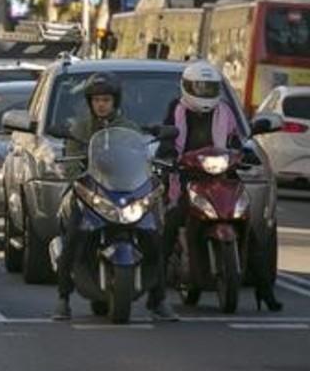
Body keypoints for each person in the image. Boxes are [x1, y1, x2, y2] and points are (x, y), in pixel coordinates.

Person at [53, 72, 177, 321]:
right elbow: (69, 163)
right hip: (90, 189)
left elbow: (139, 159)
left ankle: (159, 299)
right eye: (97, 100)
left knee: (154, 236)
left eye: (106, 100)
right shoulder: (80, 127)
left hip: (124, 192)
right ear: (90, 103)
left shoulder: (128, 128)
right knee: (73, 235)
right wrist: (75, 171)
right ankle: (63, 298)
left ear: (115, 102)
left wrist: (148, 169)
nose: (101, 104)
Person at [161, 61, 282, 311]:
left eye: (209, 88)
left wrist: (243, 153)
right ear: (186, 87)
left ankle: (265, 291)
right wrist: (169, 154)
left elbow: (237, 139)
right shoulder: (177, 109)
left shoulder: (225, 111)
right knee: (171, 223)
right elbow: (168, 139)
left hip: (223, 178)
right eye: (199, 87)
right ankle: (156, 291)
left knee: (249, 229)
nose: (204, 93)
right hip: (188, 178)